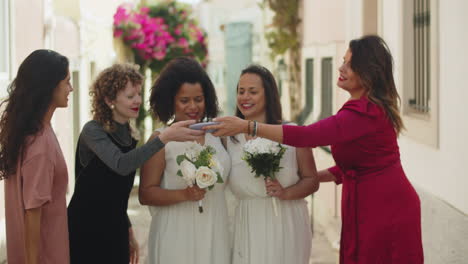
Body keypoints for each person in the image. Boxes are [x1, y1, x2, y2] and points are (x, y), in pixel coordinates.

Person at [206, 35, 424, 264]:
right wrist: (308, 178)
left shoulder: (364, 112)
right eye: (343, 61)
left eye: (350, 64)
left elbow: (308, 136)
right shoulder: (360, 109)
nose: (341, 67)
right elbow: (356, 164)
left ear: (367, 71)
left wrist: (248, 126)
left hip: (385, 204)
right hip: (365, 200)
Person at [67, 63, 203, 264]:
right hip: (86, 227)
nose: (137, 100)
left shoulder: (130, 134)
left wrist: (128, 227)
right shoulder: (93, 131)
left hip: (116, 230)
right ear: (109, 99)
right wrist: (164, 137)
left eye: (139, 94)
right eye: (130, 96)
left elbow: (116, 192)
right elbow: (121, 164)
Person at [139, 57, 231, 264]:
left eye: (198, 99)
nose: (193, 106)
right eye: (184, 100)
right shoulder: (160, 139)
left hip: (215, 230)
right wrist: (184, 194)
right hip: (176, 234)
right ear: (171, 100)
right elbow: (146, 194)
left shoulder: (218, 136)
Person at [226, 65, 319, 264]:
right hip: (246, 223)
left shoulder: (292, 132)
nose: (245, 97)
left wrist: (286, 193)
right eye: (241, 91)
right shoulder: (229, 139)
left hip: (285, 220)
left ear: (268, 94)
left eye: (253, 92)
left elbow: (312, 179)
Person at [0, 49, 72, 264]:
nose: (71, 88)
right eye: (67, 81)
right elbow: (33, 212)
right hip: (46, 257)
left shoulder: (31, 132)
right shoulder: (40, 144)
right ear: (50, 86)